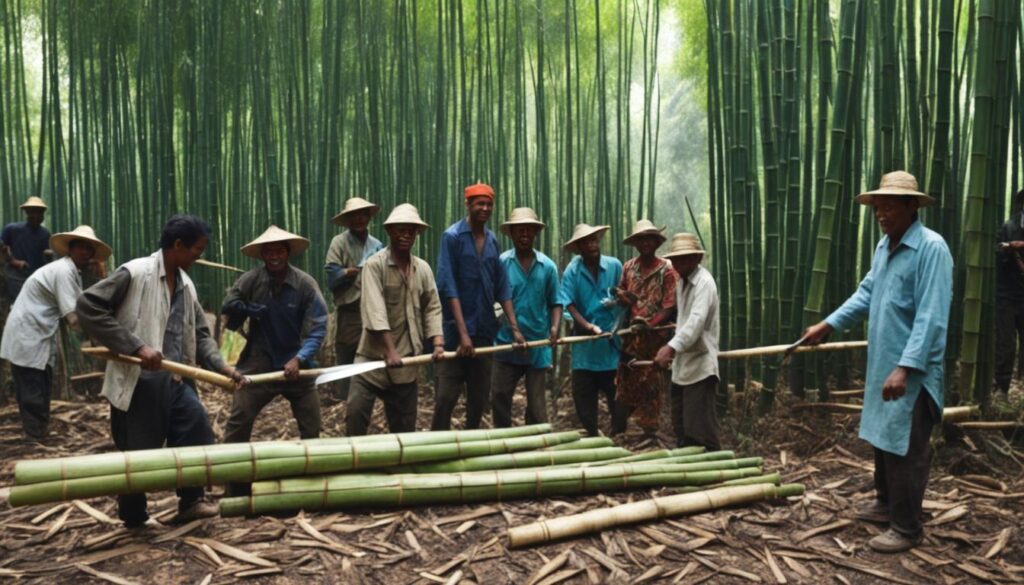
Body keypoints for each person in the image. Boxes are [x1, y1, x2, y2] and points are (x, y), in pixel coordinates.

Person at [803, 171, 953, 553]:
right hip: (882, 362)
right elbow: (867, 292)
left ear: (911, 205)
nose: (881, 213)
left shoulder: (932, 249)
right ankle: (887, 504)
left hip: (912, 371)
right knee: (883, 440)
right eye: (877, 207)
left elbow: (932, 317)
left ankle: (907, 528)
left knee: (906, 446)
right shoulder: (885, 246)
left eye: (889, 205)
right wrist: (829, 323)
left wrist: (906, 367)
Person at [77, 214, 247, 528]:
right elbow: (88, 306)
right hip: (139, 381)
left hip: (178, 379)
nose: (200, 255)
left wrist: (222, 366)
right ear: (178, 245)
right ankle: (133, 514)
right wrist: (135, 346)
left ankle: (191, 501)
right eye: (197, 248)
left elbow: (199, 335)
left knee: (195, 429)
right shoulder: (135, 272)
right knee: (139, 450)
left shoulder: (187, 284)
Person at [221, 226, 328, 470]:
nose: (274, 256)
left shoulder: (304, 284)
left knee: (312, 426)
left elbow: (318, 327)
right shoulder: (252, 279)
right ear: (262, 256)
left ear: (288, 253)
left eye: (279, 250)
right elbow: (228, 304)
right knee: (238, 421)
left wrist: (300, 358)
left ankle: (311, 480)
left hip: (297, 364)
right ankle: (232, 480)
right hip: (259, 359)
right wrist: (246, 309)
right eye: (268, 252)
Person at [0, 226, 111, 441]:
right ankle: (35, 440)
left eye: (89, 249)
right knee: (32, 389)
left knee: (41, 385)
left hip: (38, 334)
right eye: (81, 247)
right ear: (70, 249)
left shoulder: (71, 272)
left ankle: (39, 434)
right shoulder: (63, 271)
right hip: (28, 334)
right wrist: (102, 335)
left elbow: (81, 308)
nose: (86, 253)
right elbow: (74, 318)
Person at [432, 182, 525, 430]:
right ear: (468, 205)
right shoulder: (452, 237)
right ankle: (434, 447)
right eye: (479, 203)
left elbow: (502, 287)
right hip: (454, 334)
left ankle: (471, 447)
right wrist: (463, 335)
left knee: (479, 398)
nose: (484, 208)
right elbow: (448, 286)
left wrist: (514, 328)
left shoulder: (493, 240)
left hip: (484, 331)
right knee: (445, 398)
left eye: (489, 204)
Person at [346, 204, 444, 435]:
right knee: (355, 415)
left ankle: (401, 469)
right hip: (373, 359)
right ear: (389, 232)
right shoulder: (374, 266)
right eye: (400, 230)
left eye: (411, 231)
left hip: (407, 361)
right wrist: (389, 351)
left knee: (404, 429)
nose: (406, 236)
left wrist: (438, 343)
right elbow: (375, 310)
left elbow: (433, 307)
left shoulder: (423, 269)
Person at [490, 208, 561, 428]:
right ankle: (503, 443)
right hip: (506, 344)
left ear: (535, 233)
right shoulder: (500, 263)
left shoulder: (547, 266)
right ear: (511, 234)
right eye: (519, 230)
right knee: (499, 397)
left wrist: (555, 327)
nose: (524, 235)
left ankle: (537, 446)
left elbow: (555, 302)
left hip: (537, 345)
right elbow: (492, 301)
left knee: (537, 406)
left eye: (528, 230)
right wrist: (507, 327)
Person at [653, 233, 720, 451]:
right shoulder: (682, 282)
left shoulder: (704, 283)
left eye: (683, 259)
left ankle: (714, 473)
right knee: (681, 427)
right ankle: (691, 473)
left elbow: (696, 322)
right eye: (675, 260)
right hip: (683, 365)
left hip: (700, 366)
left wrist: (670, 347)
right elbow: (683, 322)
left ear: (696, 259)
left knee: (699, 431)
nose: (676, 264)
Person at [613, 220, 678, 437]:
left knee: (651, 383)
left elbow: (669, 306)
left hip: (656, 337)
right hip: (632, 337)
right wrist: (622, 297)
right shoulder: (628, 267)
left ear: (656, 242)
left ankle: (649, 432)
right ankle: (625, 428)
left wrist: (649, 325)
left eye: (649, 238)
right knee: (627, 380)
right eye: (641, 239)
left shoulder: (667, 270)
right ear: (636, 243)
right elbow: (622, 297)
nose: (645, 243)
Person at [558, 224, 623, 436]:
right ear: (578, 248)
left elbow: (625, 296)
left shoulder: (614, 266)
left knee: (618, 401)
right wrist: (586, 326)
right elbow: (567, 303)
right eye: (585, 242)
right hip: (584, 348)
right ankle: (594, 436)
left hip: (612, 347)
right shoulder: (572, 271)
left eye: (593, 240)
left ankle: (618, 439)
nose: (591, 244)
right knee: (584, 403)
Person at [324, 197, 384, 400]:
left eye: (362, 215)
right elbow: (332, 275)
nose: (359, 219)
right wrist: (350, 272)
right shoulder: (338, 242)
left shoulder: (377, 245)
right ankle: (344, 397)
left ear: (368, 217)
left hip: (372, 308)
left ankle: (368, 396)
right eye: (353, 216)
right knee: (347, 353)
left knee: (373, 353)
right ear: (347, 220)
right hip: (349, 309)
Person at [995, 188, 1024, 396]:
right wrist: (1007, 250)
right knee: (1006, 345)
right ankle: (1003, 388)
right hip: (1008, 294)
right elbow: (996, 253)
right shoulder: (1009, 226)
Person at [2, 196, 52, 300]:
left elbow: (47, 257)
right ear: (27, 213)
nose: (36, 215)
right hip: (15, 277)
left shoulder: (45, 234)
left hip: (36, 278)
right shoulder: (12, 229)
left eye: (39, 212)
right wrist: (13, 261)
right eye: (32, 212)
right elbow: (1, 246)